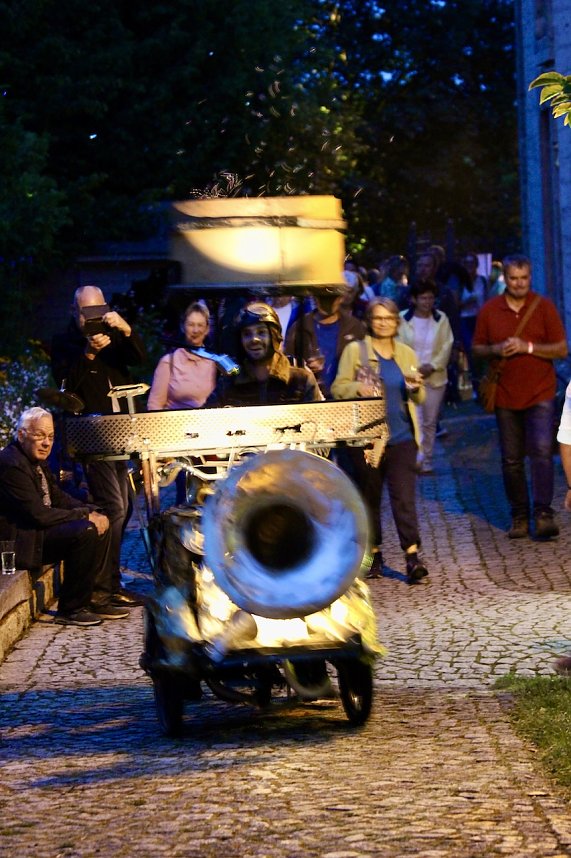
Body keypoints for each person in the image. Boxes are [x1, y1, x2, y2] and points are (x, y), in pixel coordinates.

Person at [51, 285, 146, 607]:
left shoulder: (112, 334)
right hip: (91, 437)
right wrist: (89, 353)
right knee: (113, 508)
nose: (93, 319)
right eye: (86, 313)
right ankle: (100, 589)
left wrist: (126, 329)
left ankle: (111, 583)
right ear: (74, 312)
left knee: (126, 507)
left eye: (99, 311)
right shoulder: (65, 342)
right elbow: (66, 386)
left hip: (120, 434)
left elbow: (138, 358)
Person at [0, 408, 128, 626]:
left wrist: (90, 510)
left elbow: (58, 497)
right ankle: (71, 609)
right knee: (85, 530)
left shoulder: (35, 459)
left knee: (100, 517)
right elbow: (38, 514)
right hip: (24, 542)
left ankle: (98, 597)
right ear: (21, 435)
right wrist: (84, 516)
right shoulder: (11, 464)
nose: (46, 443)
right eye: (39, 435)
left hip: (40, 533)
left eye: (50, 437)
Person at [331, 298, 428, 585]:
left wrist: (416, 388)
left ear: (397, 322)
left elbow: (419, 397)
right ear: (369, 321)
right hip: (368, 440)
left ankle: (412, 556)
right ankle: (374, 554)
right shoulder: (356, 351)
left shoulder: (407, 353)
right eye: (378, 318)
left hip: (402, 437)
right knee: (370, 497)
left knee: (403, 498)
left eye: (389, 318)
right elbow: (337, 388)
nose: (383, 323)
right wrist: (356, 387)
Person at [472, 254, 568, 539]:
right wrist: (496, 349)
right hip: (505, 395)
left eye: (524, 278)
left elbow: (561, 348)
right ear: (506, 278)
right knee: (511, 459)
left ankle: (543, 513)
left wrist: (528, 347)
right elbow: (477, 349)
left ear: (530, 278)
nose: (519, 284)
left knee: (541, 451)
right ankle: (519, 515)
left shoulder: (544, 307)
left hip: (540, 391)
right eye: (514, 278)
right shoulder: (490, 310)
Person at [208, 301, 322, 407]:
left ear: (274, 336)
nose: (254, 339)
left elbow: (319, 418)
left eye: (261, 332)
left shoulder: (302, 380)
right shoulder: (228, 382)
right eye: (247, 334)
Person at [397, 280, 454, 474]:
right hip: (411, 376)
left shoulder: (441, 319)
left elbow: (447, 344)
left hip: (435, 377)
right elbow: (398, 346)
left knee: (430, 421)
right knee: (415, 420)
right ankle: (417, 457)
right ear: (414, 299)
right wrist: (413, 369)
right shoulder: (403, 319)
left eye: (430, 298)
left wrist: (434, 365)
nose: (427, 302)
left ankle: (427, 458)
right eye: (423, 298)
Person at [285, 290, 365, 398]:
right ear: (314, 297)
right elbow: (288, 366)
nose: (327, 304)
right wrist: (305, 370)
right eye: (323, 298)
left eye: (331, 298)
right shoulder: (299, 328)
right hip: (311, 398)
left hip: (347, 398)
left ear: (341, 298)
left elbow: (365, 364)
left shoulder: (355, 327)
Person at [147, 302, 216, 411]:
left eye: (200, 325)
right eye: (191, 324)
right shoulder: (168, 362)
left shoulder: (214, 363)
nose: (195, 330)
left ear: (207, 329)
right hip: (175, 421)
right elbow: (154, 405)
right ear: (183, 327)